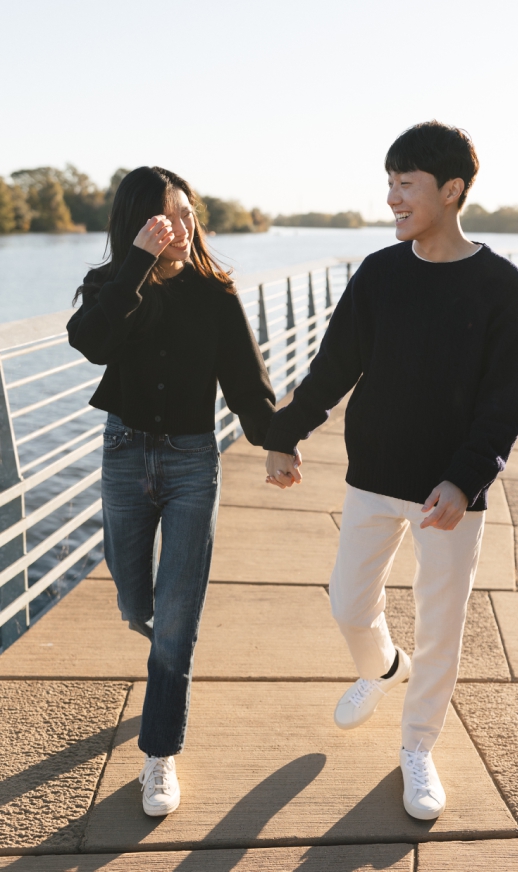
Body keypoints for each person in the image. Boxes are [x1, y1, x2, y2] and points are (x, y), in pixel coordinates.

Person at [262, 121, 518, 821]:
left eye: (405, 185)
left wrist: (465, 478)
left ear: (451, 191)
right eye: (389, 184)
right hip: (372, 477)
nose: (392, 199)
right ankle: (382, 665)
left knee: (441, 628)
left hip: (448, 494)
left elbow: (505, 402)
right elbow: (332, 370)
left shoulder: (501, 287)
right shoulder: (381, 273)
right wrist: (284, 435)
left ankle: (417, 748)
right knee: (348, 602)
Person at [68, 167, 275, 817]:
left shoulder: (214, 294)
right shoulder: (112, 287)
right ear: (136, 226)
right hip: (126, 459)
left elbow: (247, 384)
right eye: (163, 218)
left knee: (175, 623)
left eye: (186, 214)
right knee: (137, 607)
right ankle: (166, 642)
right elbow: (91, 343)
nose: (180, 228)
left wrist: (279, 440)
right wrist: (137, 262)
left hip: (191, 464)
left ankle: (159, 754)